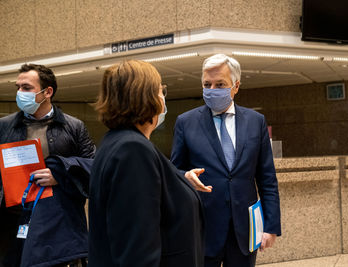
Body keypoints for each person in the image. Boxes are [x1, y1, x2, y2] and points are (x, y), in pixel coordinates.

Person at [89, 60, 204, 267]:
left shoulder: (117, 141)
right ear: (146, 96)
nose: (163, 97)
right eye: (161, 90)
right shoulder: (133, 149)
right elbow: (137, 248)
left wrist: (180, 180)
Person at [171, 54, 281, 267]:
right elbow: (174, 171)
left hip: (245, 231)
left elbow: (267, 178)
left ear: (236, 86)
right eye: (207, 84)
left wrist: (271, 226)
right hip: (203, 230)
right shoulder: (186, 122)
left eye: (219, 84)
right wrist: (184, 176)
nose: (212, 89)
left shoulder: (255, 122)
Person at [0, 64, 95, 267]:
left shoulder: (73, 126)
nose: (19, 93)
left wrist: (60, 175)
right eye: (17, 87)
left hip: (58, 221)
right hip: (14, 220)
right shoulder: (4, 126)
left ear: (47, 92)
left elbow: (93, 168)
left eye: (26, 88)